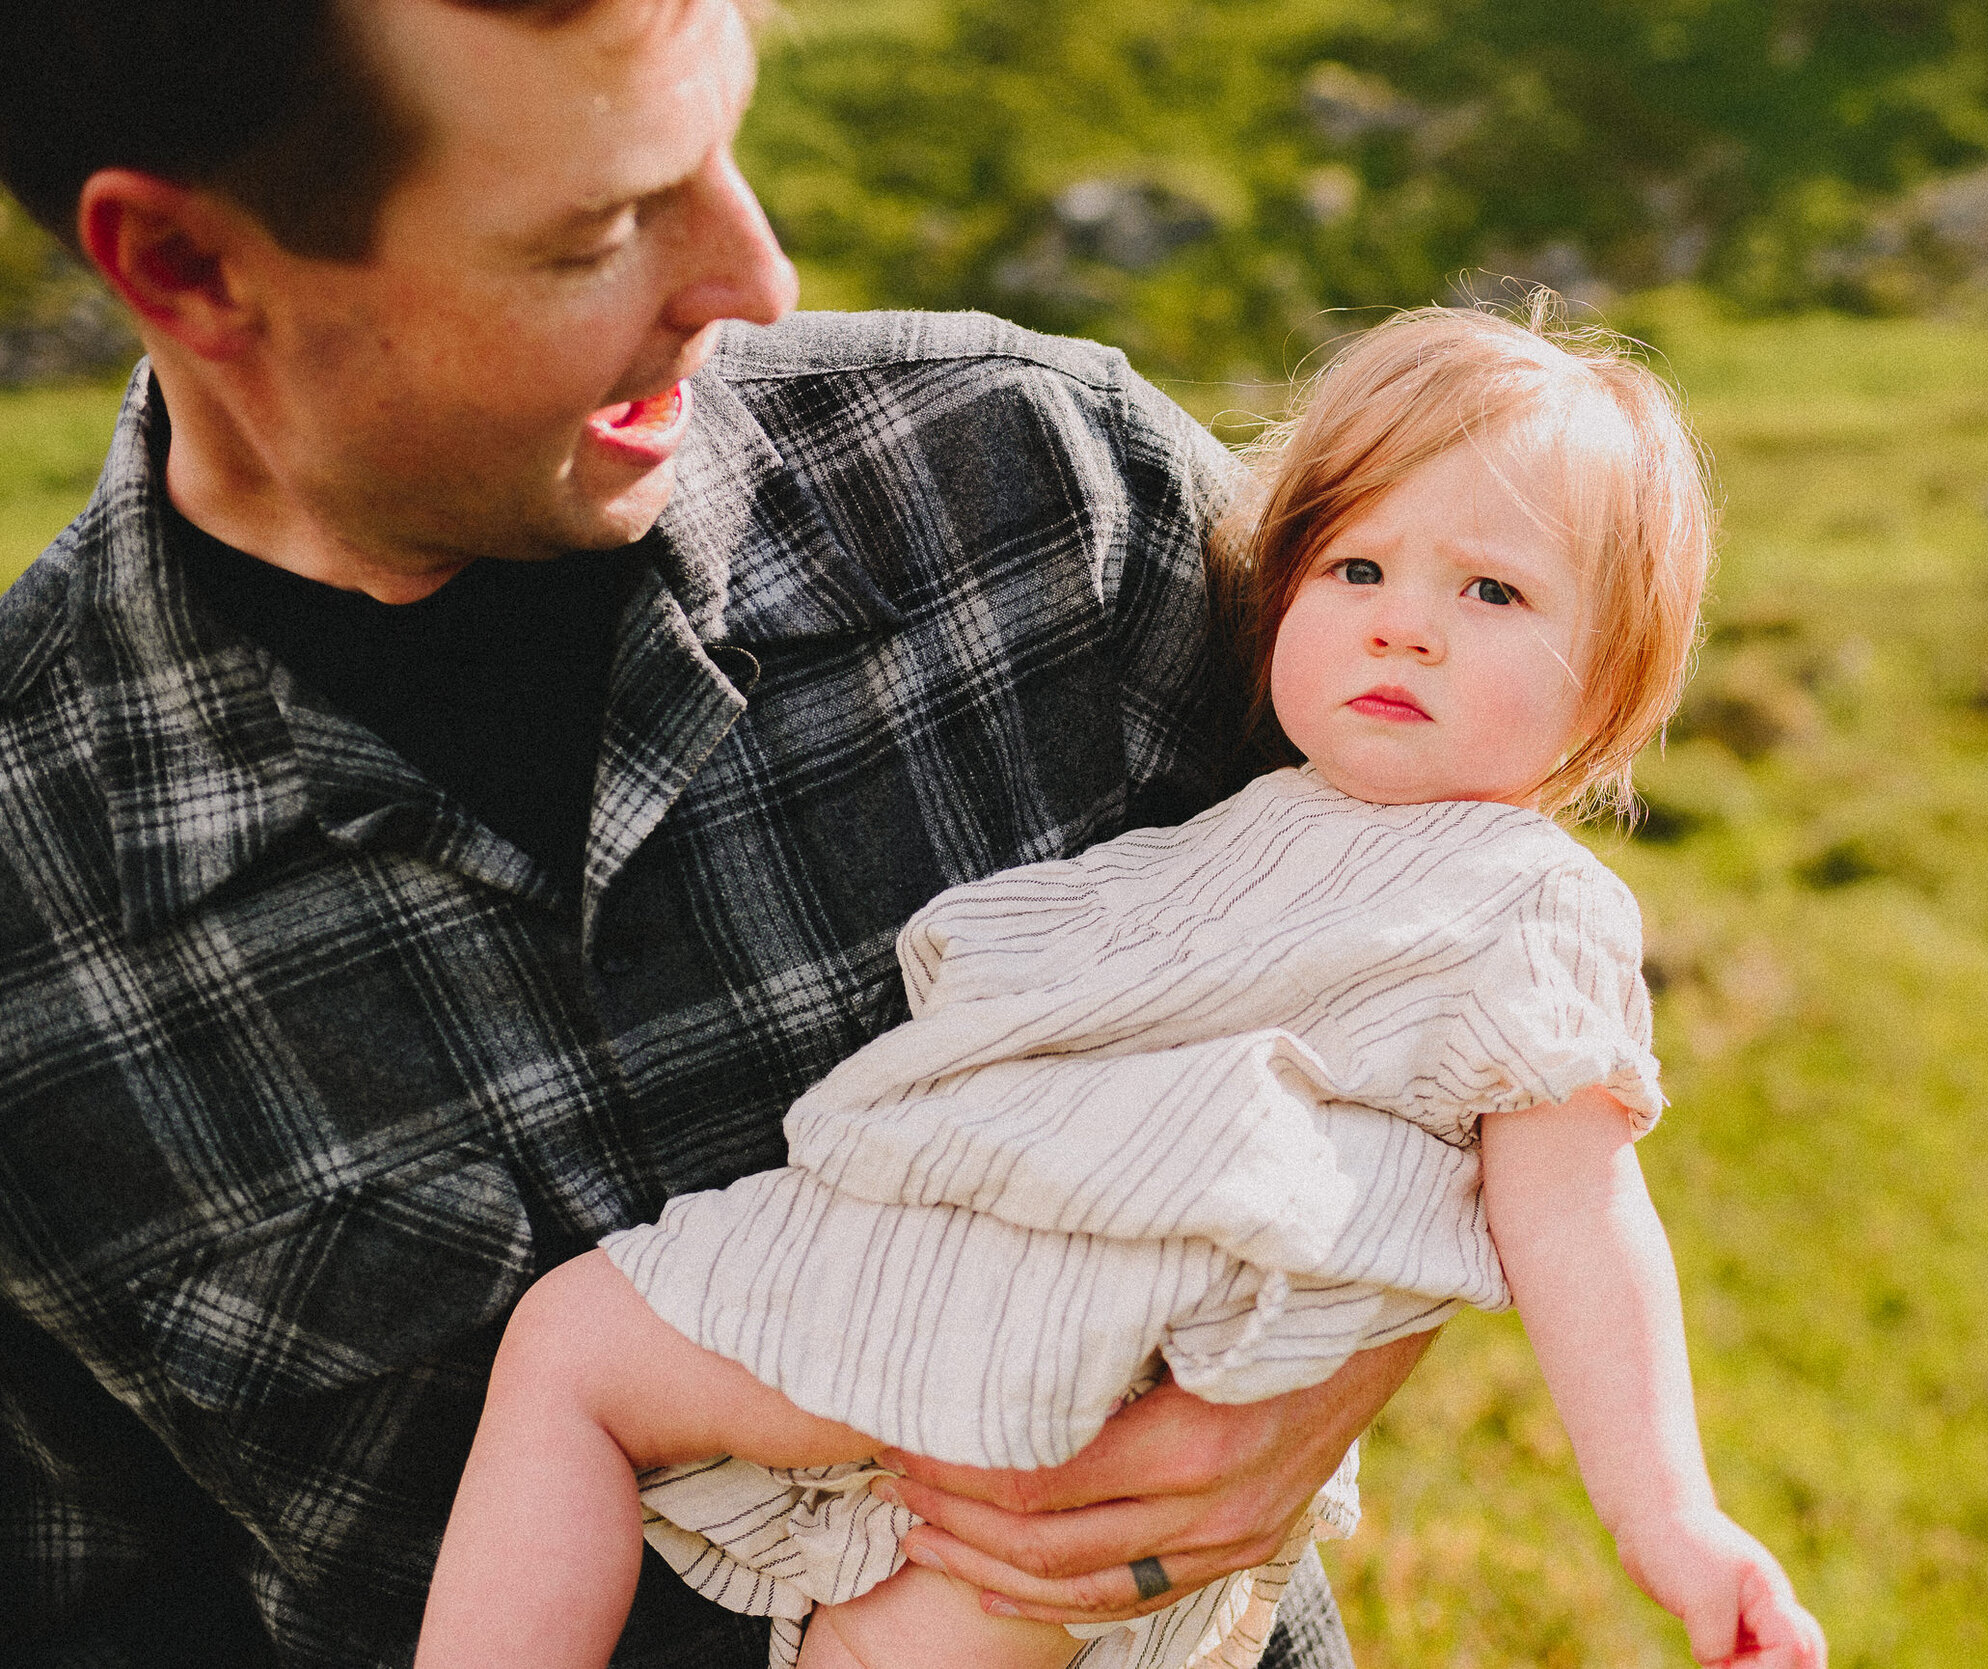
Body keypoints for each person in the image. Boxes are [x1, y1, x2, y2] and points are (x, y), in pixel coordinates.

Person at [0, 2, 1414, 1664]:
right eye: (599, 231)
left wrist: (1336, 1365)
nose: (757, 279)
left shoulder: (1046, 493)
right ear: (186, 269)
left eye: (726, 142)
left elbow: (1468, 951)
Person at [414, 306, 1830, 1669]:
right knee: (575, 1352)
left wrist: (1671, 1515)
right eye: (1357, 570)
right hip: (932, 1255)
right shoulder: (1251, 809)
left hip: (1111, 1364)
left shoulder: (1532, 894)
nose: (1407, 625)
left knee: (835, 1602)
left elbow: (1580, 1207)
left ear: (1609, 689)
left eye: (1493, 589)